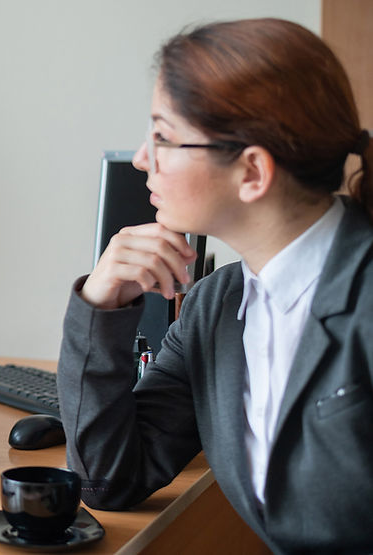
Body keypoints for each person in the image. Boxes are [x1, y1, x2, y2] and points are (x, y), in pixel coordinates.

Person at [57, 18, 372, 554]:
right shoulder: (216, 305)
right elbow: (110, 480)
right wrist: (100, 308)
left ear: (252, 171)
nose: (141, 159)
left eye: (163, 136)